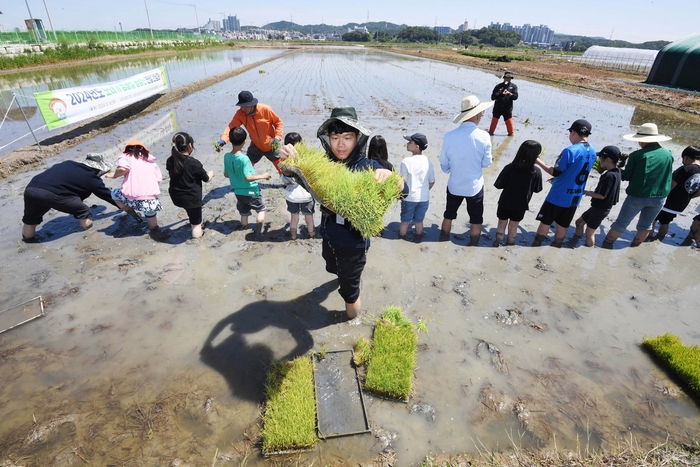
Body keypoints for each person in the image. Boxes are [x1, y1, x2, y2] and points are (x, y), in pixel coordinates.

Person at [279, 106, 406, 320]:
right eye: (335, 137)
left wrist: (393, 178)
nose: (340, 144)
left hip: (353, 242)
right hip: (328, 233)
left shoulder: (367, 166)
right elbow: (295, 172)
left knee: (349, 290)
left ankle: (352, 318)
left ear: (357, 138)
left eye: (347, 137)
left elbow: (404, 189)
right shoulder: (323, 165)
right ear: (328, 138)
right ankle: (342, 278)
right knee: (331, 265)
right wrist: (286, 158)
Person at [602, 123, 674, 249]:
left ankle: (606, 245)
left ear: (641, 140)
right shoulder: (668, 154)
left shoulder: (637, 155)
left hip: (638, 196)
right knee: (646, 225)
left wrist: (614, 169)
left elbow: (626, 176)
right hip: (660, 197)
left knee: (621, 223)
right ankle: (634, 246)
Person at [21, 153, 122, 242]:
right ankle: (90, 237)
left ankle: (28, 241)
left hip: (31, 189)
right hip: (51, 194)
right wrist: (123, 206)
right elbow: (108, 195)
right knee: (83, 210)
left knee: (30, 220)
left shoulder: (68, 164)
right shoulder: (92, 178)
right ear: (98, 169)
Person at [532, 119, 597, 247]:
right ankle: (557, 245)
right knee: (563, 224)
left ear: (573, 132)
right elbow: (574, 171)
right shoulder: (593, 151)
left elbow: (555, 171)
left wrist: (538, 161)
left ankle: (536, 245)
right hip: (575, 197)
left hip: (558, 196)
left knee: (545, 221)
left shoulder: (570, 151)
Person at [439, 95, 494, 246]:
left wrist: (451, 169)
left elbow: (443, 162)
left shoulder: (449, 136)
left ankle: (442, 240)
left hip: (454, 184)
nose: (482, 116)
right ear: (476, 115)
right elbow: (487, 163)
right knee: (476, 219)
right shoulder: (483, 136)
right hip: (474, 186)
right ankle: (474, 245)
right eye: (482, 113)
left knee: (448, 215)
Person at [217, 90, 284, 175]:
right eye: (242, 106)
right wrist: (223, 139)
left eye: (246, 106)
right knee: (246, 167)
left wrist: (277, 137)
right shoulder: (240, 113)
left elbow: (278, 123)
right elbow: (231, 126)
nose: (244, 109)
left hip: (271, 145)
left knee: (282, 169)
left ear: (252, 104)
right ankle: (243, 184)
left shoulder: (265, 110)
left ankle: (288, 183)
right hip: (256, 145)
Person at [493, 140, 544, 247]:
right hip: (521, 205)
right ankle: (510, 244)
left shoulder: (509, 168)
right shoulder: (536, 172)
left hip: (505, 202)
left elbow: (498, 185)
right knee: (513, 227)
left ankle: (497, 242)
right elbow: (537, 189)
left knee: (501, 224)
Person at [573, 146, 626, 247]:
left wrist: (585, 192)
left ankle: (587, 249)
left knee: (590, 232)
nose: (599, 160)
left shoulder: (609, 176)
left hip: (601, 209)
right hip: (598, 207)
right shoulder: (617, 171)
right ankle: (574, 241)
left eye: (601, 158)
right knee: (579, 222)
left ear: (608, 159)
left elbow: (601, 196)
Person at [106, 140, 163, 231]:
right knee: (153, 224)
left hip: (131, 196)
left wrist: (114, 175)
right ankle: (154, 230)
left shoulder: (126, 157)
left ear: (127, 150)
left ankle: (136, 217)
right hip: (150, 198)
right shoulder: (150, 160)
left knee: (114, 194)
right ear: (144, 150)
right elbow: (158, 179)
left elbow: (122, 168)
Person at [166, 132, 214, 239]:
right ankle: (198, 246)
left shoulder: (170, 161)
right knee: (196, 224)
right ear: (190, 146)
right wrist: (211, 173)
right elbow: (206, 179)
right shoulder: (194, 163)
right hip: (192, 199)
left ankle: (190, 215)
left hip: (176, 197)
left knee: (190, 211)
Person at [223, 127, 271, 234]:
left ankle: (244, 227)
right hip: (251, 191)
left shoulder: (226, 156)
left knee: (244, 212)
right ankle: (259, 227)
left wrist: (235, 175)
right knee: (261, 209)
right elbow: (248, 178)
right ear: (245, 141)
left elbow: (226, 174)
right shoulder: (244, 159)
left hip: (238, 191)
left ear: (230, 140)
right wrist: (263, 176)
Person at [650, 146, 700, 242]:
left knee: (652, 220)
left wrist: (658, 195)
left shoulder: (685, 169)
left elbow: (671, 185)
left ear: (685, 157)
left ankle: (647, 238)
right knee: (665, 223)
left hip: (666, 202)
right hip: (679, 206)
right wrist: (688, 196)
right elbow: (698, 192)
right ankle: (659, 239)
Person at [399, 132, 435, 242]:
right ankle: (418, 239)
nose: (407, 144)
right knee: (419, 221)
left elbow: (401, 182)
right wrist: (424, 190)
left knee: (405, 222)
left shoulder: (406, 161)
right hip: (424, 198)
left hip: (409, 198)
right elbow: (432, 181)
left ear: (416, 147)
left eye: (410, 142)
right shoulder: (428, 161)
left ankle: (401, 239)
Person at [280, 132, 315, 240]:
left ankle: (294, 237)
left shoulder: (285, 163)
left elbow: (285, 181)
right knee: (309, 219)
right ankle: (312, 235)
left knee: (294, 219)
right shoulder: (305, 159)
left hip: (292, 197)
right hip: (306, 196)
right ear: (301, 144)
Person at [489, 71, 518, 136]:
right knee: (493, 124)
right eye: (506, 78)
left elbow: (515, 97)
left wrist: (510, 94)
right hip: (497, 108)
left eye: (509, 78)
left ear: (511, 79)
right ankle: (490, 134)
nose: (507, 79)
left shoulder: (514, 87)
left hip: (507, 109)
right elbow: (492, 97)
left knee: (510, 127)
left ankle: (510, 135)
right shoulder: (498, 86)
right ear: (504, 78)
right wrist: (498, 93)